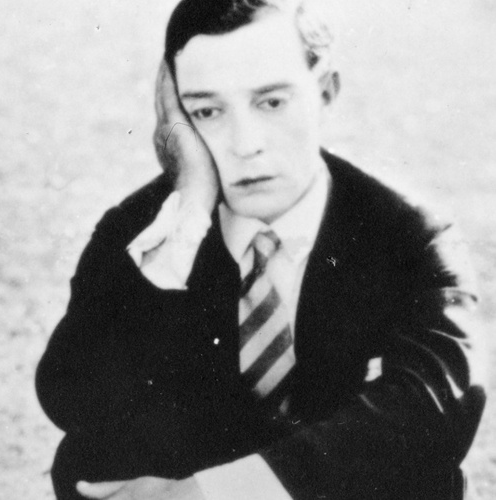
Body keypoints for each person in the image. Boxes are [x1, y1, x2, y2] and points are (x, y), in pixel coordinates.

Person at [36, 0, 487, 499]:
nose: (245, 144)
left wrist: (212, 493)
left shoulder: (409, 235)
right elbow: (72, 400)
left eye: (271, 102)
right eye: (207, 112)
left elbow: (433, 410)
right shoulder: (144, 227)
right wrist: (184, 226)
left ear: (325, 91)